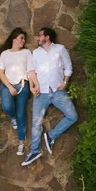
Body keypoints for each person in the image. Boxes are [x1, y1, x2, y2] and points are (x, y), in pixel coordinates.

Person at [21, 26, 78, 166]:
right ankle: (34, 151)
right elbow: (31, 72)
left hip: (58, 91)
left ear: (47, 37)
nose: (37, 38)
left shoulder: (60, 49)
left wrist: (65, 82)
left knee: (73, 116)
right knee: (36, 122)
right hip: (41, 93)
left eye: (39, 35)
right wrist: (33, 87)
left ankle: (51, 135)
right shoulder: (35, 53)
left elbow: (68, 67)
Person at [0, 27, 33, 156]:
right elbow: (0, 72)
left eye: (24, 39)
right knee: (6, 106)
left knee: (21, 114)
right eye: (21, 38)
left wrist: (33, 86)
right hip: (7, 85)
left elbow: (30, 70)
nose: (23, 41)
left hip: (23, 86)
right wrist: (10, 87)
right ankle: (12, 117)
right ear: (14, 38)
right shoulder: (5, 54)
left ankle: (21, 143)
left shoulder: (27, 53)